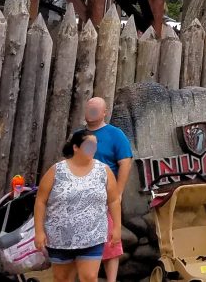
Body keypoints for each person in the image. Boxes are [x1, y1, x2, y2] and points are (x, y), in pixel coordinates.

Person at [35, 130, 122, 282]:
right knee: (62, 279)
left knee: (89, 277)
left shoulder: (103, 171)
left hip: (93, 236)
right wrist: (39, 231)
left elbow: (113, 201)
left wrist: (117, 227)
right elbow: (40, 201)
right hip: (59, 237)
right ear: (76, 147)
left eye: (95, 145)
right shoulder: (57, 170)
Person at [81, 97, 132, 282]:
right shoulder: (78, 135)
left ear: (104, 112)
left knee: (110, 240)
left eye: (96, 109)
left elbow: (125, 161)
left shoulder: (115, 134)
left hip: (104, 196)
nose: (91, 112)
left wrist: (118, 192)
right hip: (80, 196)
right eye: (89, 109)